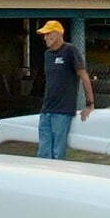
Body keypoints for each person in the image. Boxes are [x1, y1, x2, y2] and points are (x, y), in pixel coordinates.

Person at [35, 19, 94, 160]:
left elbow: (84, 76)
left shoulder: (70, 50)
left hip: (62, 111)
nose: (45, 38)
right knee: (43, 151)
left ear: (57, 34)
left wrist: (90, 103)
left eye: (48, 34)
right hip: (46, 109)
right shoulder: (47, 55)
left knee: (58, 151)